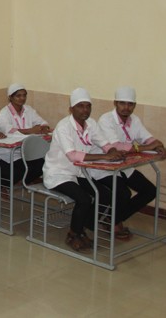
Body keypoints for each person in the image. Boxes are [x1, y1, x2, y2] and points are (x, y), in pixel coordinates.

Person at [43, 88, 127, 251]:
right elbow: (73, 156)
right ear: (71, 109)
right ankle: (73, 234)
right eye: (80, 106)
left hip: (78, 172)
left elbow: (104, 143)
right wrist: (105, 157)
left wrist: (112, 151)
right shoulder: (63, 127)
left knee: (105, 194)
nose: (85, 110)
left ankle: (83, 227)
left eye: (88, 106)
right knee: (84, 199)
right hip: (59, 173)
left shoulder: (91, 124)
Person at [97, 86, 166, 239]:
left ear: (134, 106)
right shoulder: (106, 119)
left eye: (130, 104)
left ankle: (112, 219)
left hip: (123, 167)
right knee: (124, 193)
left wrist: (159, 146)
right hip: (104, 168)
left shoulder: (134, 120)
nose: (126, 108)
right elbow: (117, 147)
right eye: (122, 103)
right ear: (115, 103)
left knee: (149, 190)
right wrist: (148, 147)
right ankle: (114, 222)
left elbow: (148, 138)